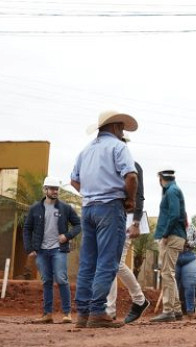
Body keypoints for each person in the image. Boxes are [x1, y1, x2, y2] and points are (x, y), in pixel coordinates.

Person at [70, 110, 138, 328]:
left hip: (88, 209)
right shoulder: (119, 147)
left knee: (88, 263)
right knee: (107, 261)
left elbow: (74, 181)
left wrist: (91, 193)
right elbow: (131, 176)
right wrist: (130, 199)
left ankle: (82, 313)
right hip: (110, 208)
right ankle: (98, 311)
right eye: (122, 129)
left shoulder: (85, 150)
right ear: (117, 127)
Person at [22, 176, 81, 324]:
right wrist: (30, 248)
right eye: (52, 189)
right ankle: (47, 314)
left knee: (61, 279)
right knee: (46, 281)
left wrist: (67, 236)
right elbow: (27, 228)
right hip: (41, 251)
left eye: (57, 189)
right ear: (45, 190)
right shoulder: (35, 208)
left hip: (58, 250)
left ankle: (67, 314)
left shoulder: (65, 208)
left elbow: (79, 225)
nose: (55, 191)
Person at [106, 160, 150, 324]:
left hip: (127, 219)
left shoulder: (133, 165)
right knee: (111, 263)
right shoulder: (109, 164)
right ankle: (111, 310)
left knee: (115, 263)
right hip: (111, 217)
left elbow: (139, 195)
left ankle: (137, 300)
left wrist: (136, 222)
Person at [150, 168, 187, 323]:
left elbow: (174, 215)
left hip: (171, 236)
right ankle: (176, 310)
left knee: (167, 273)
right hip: (175, 236)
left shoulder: (171, 191)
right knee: (169, 273)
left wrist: (165, 235)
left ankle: (168, 311)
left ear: (161, 179)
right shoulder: (173, 190)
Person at [176, 222, 196, 316]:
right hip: (174, 257)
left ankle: (190, 310)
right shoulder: (170, 226)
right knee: (173, 285)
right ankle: (174, 310)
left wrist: (188, 243)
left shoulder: (191, 227)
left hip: (189, 257)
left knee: (190, 285)